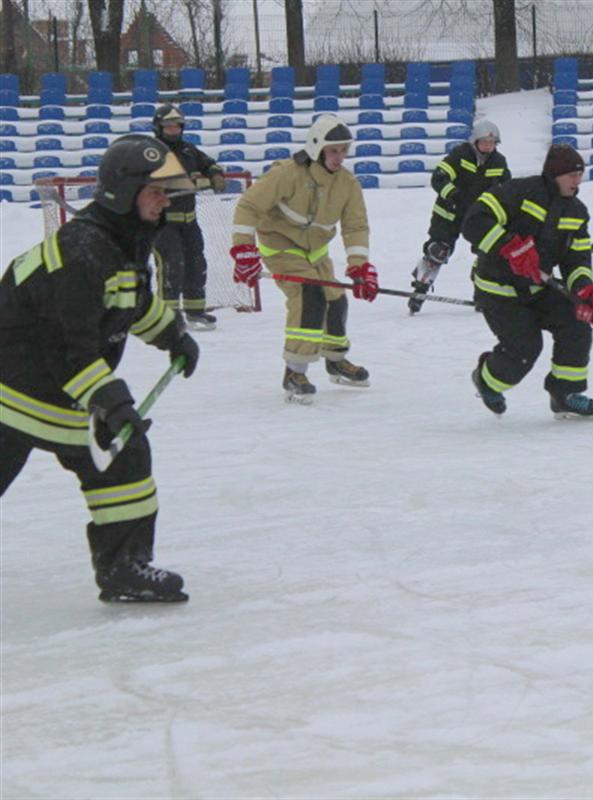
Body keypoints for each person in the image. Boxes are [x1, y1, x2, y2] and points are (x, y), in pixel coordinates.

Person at [0, 135, 200, 602]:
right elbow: (69, 346)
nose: (163, 201)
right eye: (156, 191)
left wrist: (173, 335)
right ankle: (123, 565)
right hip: (14, 390)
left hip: (61, 390)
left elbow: (132, 302)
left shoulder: (122, 241)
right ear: (124, 193)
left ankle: (125, 568)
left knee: (125, 461)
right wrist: (111, 400)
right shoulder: (81, 252)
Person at [229, 114, 378, 403]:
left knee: (336, 298)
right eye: (333, 150)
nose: (339, 157)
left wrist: (360, 268)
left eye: (344, 150)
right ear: (316, 147)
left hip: (317, 253)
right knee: (310, 296)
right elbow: (248, 206)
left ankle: (335, 359)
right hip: (281, 248)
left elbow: (356, 226)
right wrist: (243, 249)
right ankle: (294, 372)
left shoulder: (347, 183)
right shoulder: (287, 173)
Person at [461, 143, 593, 420]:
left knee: (576, 321)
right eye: (572, 176)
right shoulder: (518, 192)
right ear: (555, 175)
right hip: (498, 288)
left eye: (580, 175)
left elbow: (577, 259)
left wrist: (583, 288)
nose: (578, 181)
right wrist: (509, 247)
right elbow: (474, 221)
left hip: (538, 287)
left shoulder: (576, 211)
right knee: (525, 348)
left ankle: (565, 393)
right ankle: (487, 379)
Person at [408, 119, 511, 314]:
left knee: (487, 253)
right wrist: (454, 195)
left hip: (479, 216)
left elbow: (506, 189)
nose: (488, 146)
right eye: (484, 142)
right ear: (475, 141)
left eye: (492, 143)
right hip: (449, 213)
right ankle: (420, 289)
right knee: (438, 250)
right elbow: (438, 177)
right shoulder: (459, 155)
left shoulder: (500, 162)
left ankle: (482, 293)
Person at [151, 104, 227, 331]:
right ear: (159, 128)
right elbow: (154, 180)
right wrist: (191, 182)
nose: (173, 130)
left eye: (177, 126)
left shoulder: (188, 150)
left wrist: (215, 174)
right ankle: (168, 316)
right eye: (168, 126)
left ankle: (195, 312)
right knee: (171, 266)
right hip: (163, 222)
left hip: (189, 221)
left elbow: (208, 163)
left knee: (196, 264)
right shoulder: (152, 152)